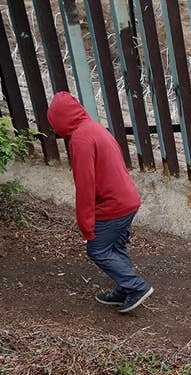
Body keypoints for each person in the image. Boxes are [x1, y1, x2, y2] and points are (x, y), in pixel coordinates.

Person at [47, 92, 153, 313]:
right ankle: (124, 288)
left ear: (60, 120)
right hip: (127, 199)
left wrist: (86, 224)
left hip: (113, 204)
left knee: (98, 250)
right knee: (115, 246)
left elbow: (86, 186)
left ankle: (136, 287)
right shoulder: (94, 128)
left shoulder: (81, 139)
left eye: (54, 123)